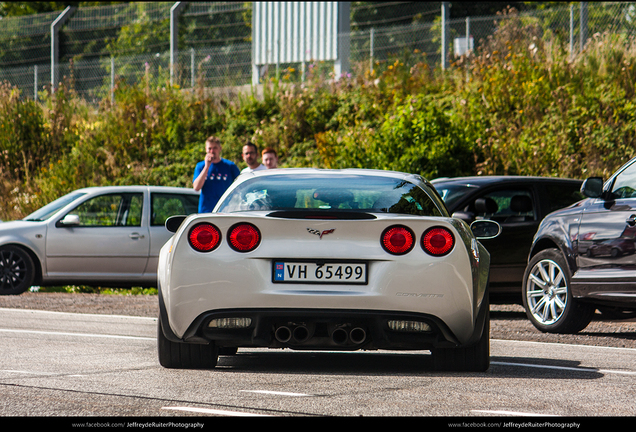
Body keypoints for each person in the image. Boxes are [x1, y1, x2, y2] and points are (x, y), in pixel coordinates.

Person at [193, 136, 240, 213]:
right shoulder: (200, 166)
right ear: (206, 149)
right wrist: (207, 167)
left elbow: (240, 187)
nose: (212, 151)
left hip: (226, 210)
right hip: (206, 211)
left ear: (220, 148)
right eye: (209, 148)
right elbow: (196, 187)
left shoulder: (230, 166)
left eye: (215, 148)